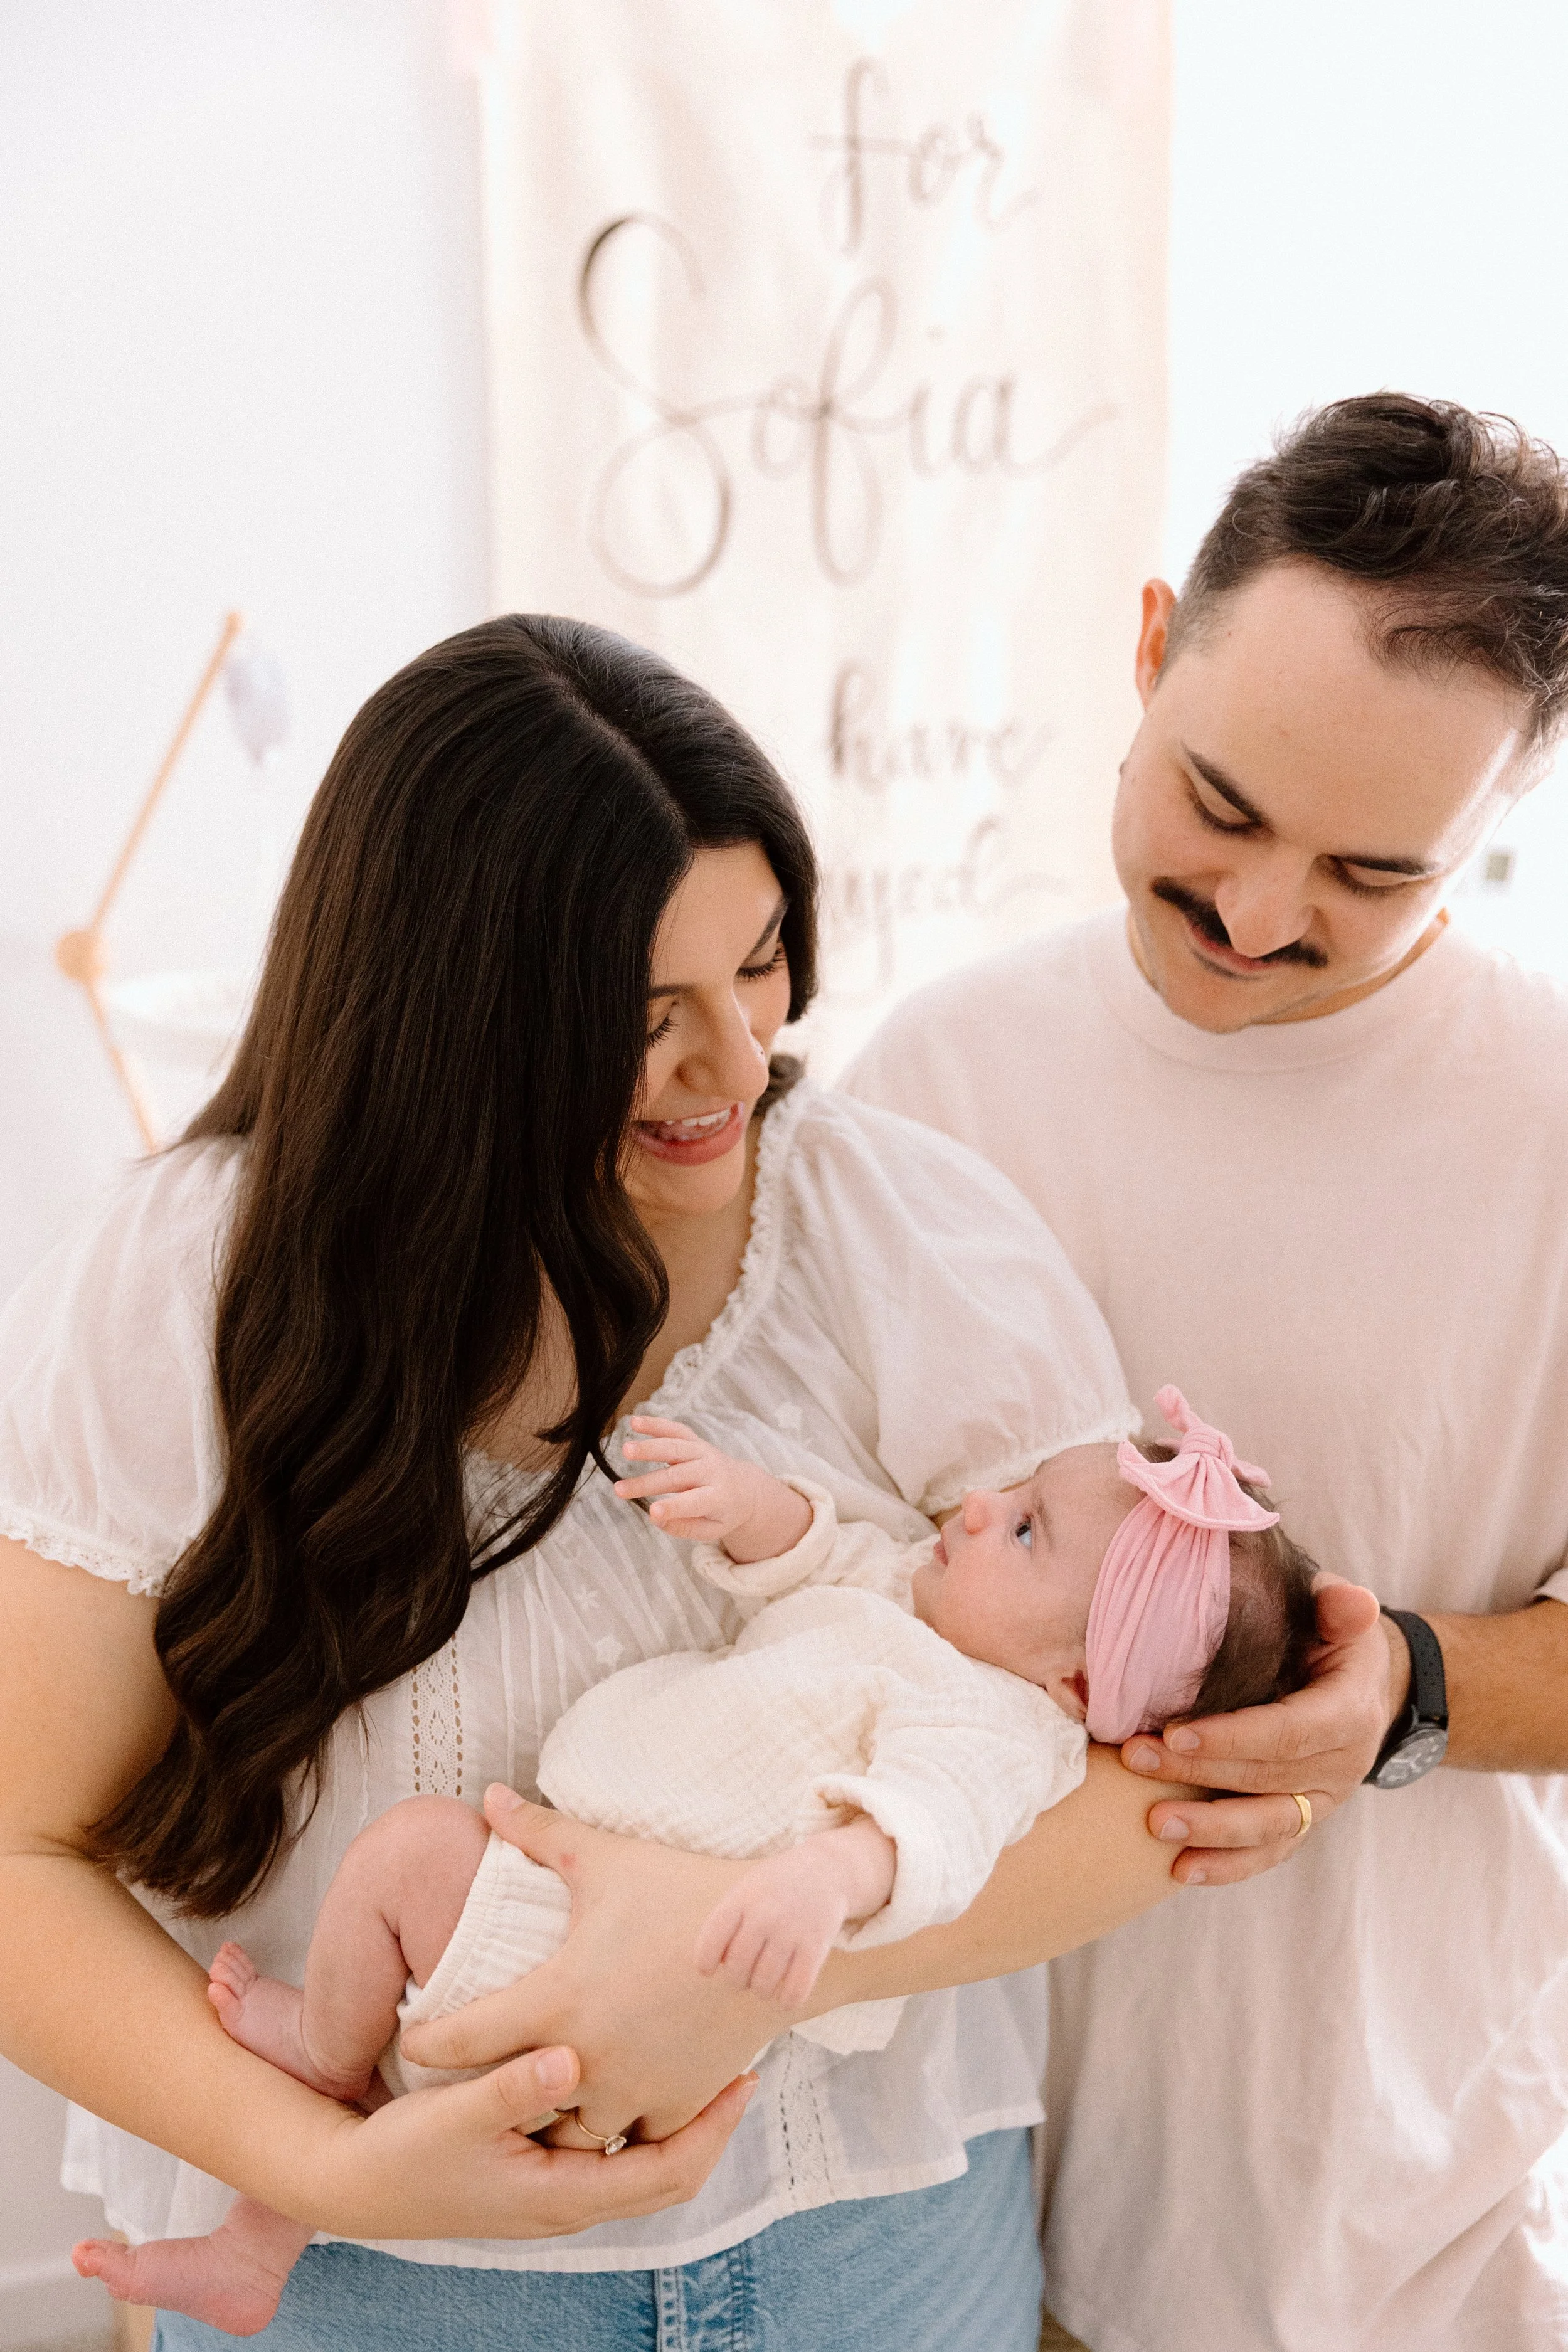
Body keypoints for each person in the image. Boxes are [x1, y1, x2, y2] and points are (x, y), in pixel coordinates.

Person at [0, 615, 1192, 2352]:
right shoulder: (185, 1285)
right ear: (448, 1023)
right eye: (644, 1021)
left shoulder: (896, 1230)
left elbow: (1138, 1767)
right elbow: (19, 1852)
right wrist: (328, 2171)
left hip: (874, 2249)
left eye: (761, 963)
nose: (739, 1063)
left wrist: (736, 1966)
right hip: (370, 2287)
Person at [844, 393, 1568, 2352]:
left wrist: (1402, 1685)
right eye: (1221, 808)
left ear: (1490, 830)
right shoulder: (934, 1083)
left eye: (1369, 873)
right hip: (956, 2201)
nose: (1254, 917)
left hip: (1391, 2221)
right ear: (1151, 644)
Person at [73, 1390, 1321, 2336]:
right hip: (584, 1898)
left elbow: (930, 1832)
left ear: (1080, 1685)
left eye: (1028, 1531)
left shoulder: (993, 1727)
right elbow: (821, 1553)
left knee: (405, 1862)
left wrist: (830, 1879)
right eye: (1016, 1492)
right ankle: (259, 2246)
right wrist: (747, 1504)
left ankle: (320, 2048)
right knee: (406, 2044)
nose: (981, 1508)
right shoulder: (918, 1602)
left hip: (602, 1947)